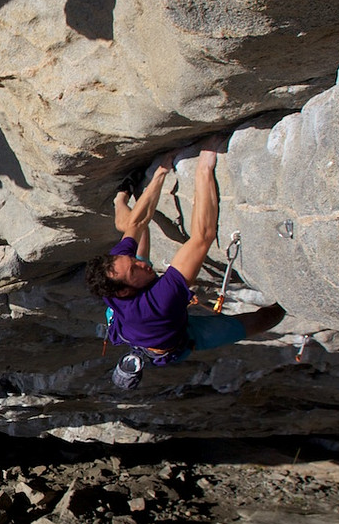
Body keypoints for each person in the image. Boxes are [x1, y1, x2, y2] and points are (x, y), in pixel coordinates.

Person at [85, 142, 284, 383]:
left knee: (135, 230)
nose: (141, 264)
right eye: (134, 269)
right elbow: (202, 236)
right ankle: (283, 307)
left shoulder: (114, 270)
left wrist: (160, 173)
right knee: (261, 321)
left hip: (128, 318)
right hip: (174, 338)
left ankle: (119, 200)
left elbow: (136, 224)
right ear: (124, 291)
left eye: (131, 260)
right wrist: (204, 168)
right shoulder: (158, 303)